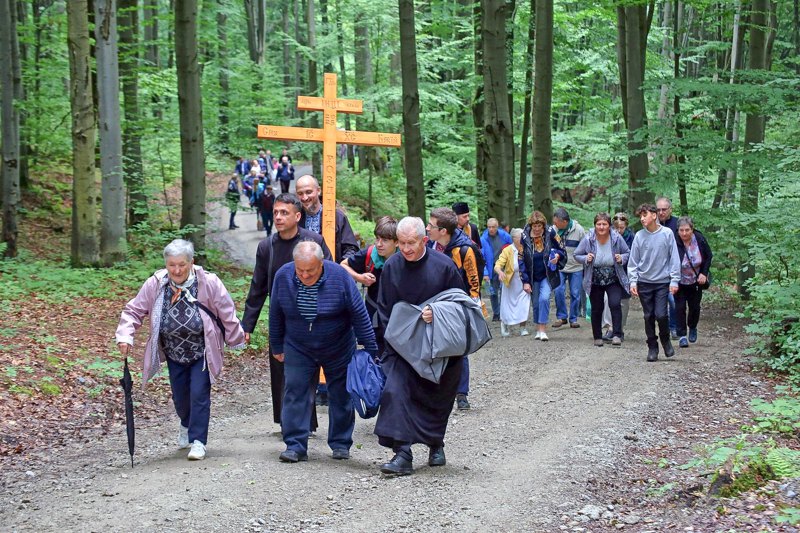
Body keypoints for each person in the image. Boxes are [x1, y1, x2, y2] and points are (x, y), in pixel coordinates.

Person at [115, 239, 246, 461]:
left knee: (199, 394)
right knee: (180, 397)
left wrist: (236, 339)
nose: (177, 270)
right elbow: (134, 311)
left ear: (191, 262)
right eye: (172, 265)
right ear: (166, 264)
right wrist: (125, 335)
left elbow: (226, 311)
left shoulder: (209, 282)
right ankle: (186, 423)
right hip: (174, 352)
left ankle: (198, 441)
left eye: (182, 265)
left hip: (201, 350)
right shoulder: (156, 284)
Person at [269, 241, 378, 463]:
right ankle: (295, 444)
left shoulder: (339, 277)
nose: (305, 275)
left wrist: (370, 349)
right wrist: (277, 345)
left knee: (340, 394)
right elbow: (276, 312)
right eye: (300, 270)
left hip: (337, 345)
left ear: (322, 264)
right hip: (298, 345)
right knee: (295, 392)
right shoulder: (283, 276)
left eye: (310, 270)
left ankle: (340, 443)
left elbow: (359, 313)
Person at [374, 217, 467, 475]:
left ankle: (435, 443)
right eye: (401, 243)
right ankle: (402, 453)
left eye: (411, 243)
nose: (405, 249)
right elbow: (384, 309)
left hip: (439, 346)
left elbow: (461, 305)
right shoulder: (392, 266)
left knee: (436, 399)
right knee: (395, 392)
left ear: (424, 240)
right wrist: (391, 342)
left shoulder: (444, 266)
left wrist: (437, 313)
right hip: (402, 347)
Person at [242, 193, 332, 428]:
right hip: (280, 318)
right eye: (276, 213)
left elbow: (330, 276)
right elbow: (258, 287)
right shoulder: (267, 247)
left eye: (284, 213)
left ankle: (306, 422)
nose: (279, 217)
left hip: (311, 316)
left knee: (308, 371)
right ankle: (287, 422)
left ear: (297, 216)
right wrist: (247, 325)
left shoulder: (314, 241)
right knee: (281, 371)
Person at [427, 207, 483, 411]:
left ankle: (461, 393)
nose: (427, 228)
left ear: (443, 230)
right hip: (435, 303)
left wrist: (472, 304)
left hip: (458, 305)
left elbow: (473, 280)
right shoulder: (430, 246)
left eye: (431, 226)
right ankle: (438, 390)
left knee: (459, 349)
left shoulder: (465, 249)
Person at [628, 204, 681, 362]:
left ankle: (665, 339)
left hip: (662, 282)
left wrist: (675, 280)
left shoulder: (667, 234)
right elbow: (633, 261)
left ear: (654, 215)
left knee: (661, 314)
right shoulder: (639, 236)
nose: (642, 218)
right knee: (648, 316)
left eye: (645, 215)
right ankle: (652, 345)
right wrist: (633, 282)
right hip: (644, 282)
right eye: (640, 216)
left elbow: (674, 258)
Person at [340, 216, 399, 354]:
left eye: (385, 240)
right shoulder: (369, 254)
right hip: (373, 317)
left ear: (396, 242)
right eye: (377, 238)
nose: (379, 244)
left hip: (396, 317)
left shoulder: (405, 257)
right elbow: (343, 265)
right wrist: (360, 277)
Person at [574, 213, 631, 347]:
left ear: (609, 225)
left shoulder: (616, 237)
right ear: (595, 225)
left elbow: (628, 252)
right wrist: (585, 258)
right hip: (595, 277)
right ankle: (597, 336)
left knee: (615, 303)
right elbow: (577, 254)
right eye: (598, 224)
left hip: (613, 276)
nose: (601, 227)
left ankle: (617, 334)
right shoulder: (589, 238)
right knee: (597, 307)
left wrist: (621, 258)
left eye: (604, 224)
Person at [520, 211, 566, 341]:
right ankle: (537, 328)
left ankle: (542, 329)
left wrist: (557, 256)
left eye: (539, 226)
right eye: (534, 226)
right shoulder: (524, 237)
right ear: (531, 225)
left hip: (547, 273)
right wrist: (525, 280)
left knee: (544, 298)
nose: (537, 229)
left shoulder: (551, 232)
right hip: (532, 275)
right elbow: (521, 259)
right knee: (535, 303)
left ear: (543, 225)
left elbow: (561, 249)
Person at [295, 175, 360, 262]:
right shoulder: (295, 218)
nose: (305, 197)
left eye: (309, 192)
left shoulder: (337, 216)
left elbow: (351, 249)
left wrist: (339, 267)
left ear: (318, 190)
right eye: (300, 193)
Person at [675, 216, 713, 348]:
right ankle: (682, 335)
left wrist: (704, 273)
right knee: (679, 307)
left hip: (696, 280)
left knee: (694, 307)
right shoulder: (674, 240)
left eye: (687, 230)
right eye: (681, 230)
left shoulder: (700, 239)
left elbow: (708, 256)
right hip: (678, 280)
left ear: (692, 229)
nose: (684, 233)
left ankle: (692, 327)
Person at [601, 212, 635, 341]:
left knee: (623, 303)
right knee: (607, 299)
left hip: (626, 274)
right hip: (610, 274)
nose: (618, 230)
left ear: (626, 226)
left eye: (621, 228)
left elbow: (634, 255)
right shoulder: (606, 236)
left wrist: (623, 258)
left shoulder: (632, 237)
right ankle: (610, 328)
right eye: (616, 228)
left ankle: (619, 328)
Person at [551, 207, 586, 329]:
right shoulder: (554, 230)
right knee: (558, 290)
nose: (554, 224)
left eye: (556, 222)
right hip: (560, 266)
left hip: (576, 266)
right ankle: (562, 317)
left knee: (575, 293)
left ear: (564, 222)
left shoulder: (579, 230)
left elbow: (585, 248)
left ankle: (573, 319)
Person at [494, 228, 531, 337]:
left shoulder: (526, 249)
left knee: (524, 304)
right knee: (507, 305)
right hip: (510, 282)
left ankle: (523, 327)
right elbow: (498, 265)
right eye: (521, 238)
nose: (524, 239)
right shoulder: (507, 250)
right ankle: (504, 324)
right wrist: (500, 272)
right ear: (514, 239)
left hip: (524, 281)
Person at [656, 196, 680, 339]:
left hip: (673, 269)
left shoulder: (677, 225)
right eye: (658, 209)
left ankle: (673, 328)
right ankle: (663, 328)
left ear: (670, 209)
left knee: (673, 300)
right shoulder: (651, 224)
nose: (661, 212)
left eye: (664, 209)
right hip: (656, 271)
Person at [480, 218, 512, 322]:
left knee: (504, 290)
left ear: (497, 226)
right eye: (489, 227)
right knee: (492, 292)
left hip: (503, 267)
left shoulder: (505, 236)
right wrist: (485, 273)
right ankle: (496, 313)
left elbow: (512, 250)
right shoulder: (483, 239)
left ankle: (504, 312)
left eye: (493, 227)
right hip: (491, 268)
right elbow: (481, 257)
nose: (491, 229)